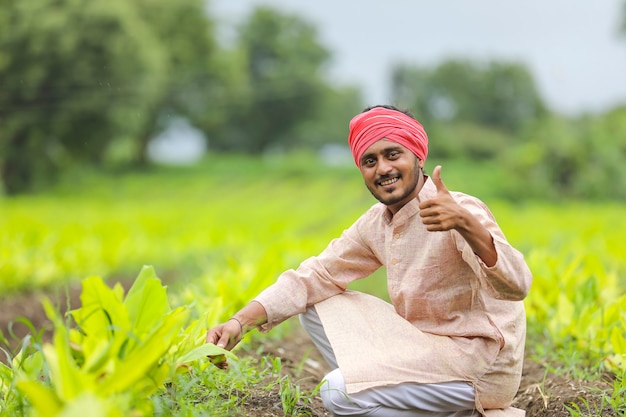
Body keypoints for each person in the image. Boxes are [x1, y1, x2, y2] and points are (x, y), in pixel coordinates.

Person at [206, 105, 532, 417]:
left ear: (418, 156)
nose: (383, 169)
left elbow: (518, 285)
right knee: (316, 303)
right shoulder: (377, 223)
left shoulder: (457, 209)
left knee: (337, 392)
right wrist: (239, 322)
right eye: (370, 160)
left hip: (478, 364)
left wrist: (465, 224)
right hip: (425, 349)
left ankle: (433, 406)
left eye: (393, 154)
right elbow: (316, 274)